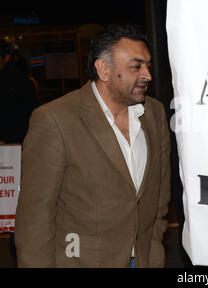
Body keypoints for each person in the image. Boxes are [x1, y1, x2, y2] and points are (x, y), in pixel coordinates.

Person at [14, 24, 171, 268]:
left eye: (148, 65)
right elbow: (35, 219)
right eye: (136, 66)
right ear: (104, 69)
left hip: (144, 260)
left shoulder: (155, 114)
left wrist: (153, 244)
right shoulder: (55, 120)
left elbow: (160, 197)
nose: (147, 75)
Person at [0, 39, 38, 144]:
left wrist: (8, 140)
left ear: (6, 57)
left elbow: (30, 119)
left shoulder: (21, 83)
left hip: (12, 147)